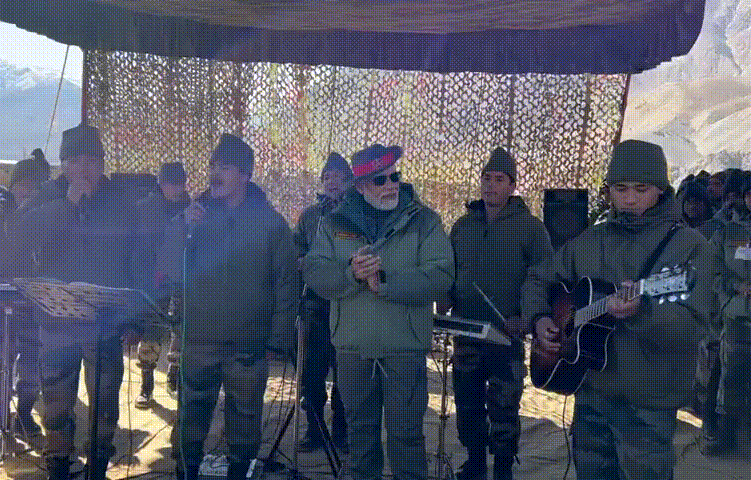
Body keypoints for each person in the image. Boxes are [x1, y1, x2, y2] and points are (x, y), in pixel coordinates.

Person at [524, 140, 716, 480]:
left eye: (640, 189)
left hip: (648, 404)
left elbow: (694, 328)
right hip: (590, 391)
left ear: (660, 189)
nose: (629, 198)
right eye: (620, 188)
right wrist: (539, 319)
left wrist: (642, 313)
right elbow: (540, 277)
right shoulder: (591, 239)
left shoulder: (689, 246)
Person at [303, 144, 454, 480]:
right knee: (360, 438)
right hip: (353, 349)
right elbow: (314, 271)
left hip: (404, 347)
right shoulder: (333, 223)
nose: (391, 185)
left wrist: (386, 282)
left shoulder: (424, 220)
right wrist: (350, 273)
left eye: (395, 176)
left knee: (407, 437)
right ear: (359, 186)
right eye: (380, 179)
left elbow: (442, 275)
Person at [167, 133, 298, 480]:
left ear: (245, 175)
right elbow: (164, 267)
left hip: (248, 346)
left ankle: (239, 473)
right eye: (212, 165)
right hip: (199, 341)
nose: (215, 173)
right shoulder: (193, 216)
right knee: (191, 419)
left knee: (245, 421)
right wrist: (183, 228)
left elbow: (287, 285)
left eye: (225, 167)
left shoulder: (271, 224)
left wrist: (277, 340)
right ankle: (186, 473)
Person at [15, 124, 141, 480]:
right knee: (56, 404)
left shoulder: (120, 203)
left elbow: (135, 262)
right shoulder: (47, 197)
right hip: (57, 324)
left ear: (102, 165)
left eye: (92, 161)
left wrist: (134, 320)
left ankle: (98, 465)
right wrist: (68, 205)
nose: (84, 169)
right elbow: (21, 239)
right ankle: (58, 465)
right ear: (64, 165)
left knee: (104, 404)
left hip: (105, 325)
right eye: (76, 161)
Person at [442, 147, 553, 480]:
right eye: (486, 178)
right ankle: (475, 462)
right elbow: (448, 270)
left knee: (504, 406)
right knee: (467, 403)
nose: (490, 185)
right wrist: (444, 297)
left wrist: (527, 315)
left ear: (512, 185)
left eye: (499, 180)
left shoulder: (531, 228)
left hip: (507, 333)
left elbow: (545, 277)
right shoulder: (462, 226)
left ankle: (503, 468)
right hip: (466, 330)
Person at [0, 157, 50, 435]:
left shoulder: (50, 219)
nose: (26, 189)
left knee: (31, 364)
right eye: (21, 183)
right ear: (12, 187)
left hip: (35, 307)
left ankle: (25, 412)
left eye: (33, 185)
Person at [293, 152, 351, 453]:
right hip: (314, 305)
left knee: (346, 372)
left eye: (338, 177)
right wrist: (300, 261)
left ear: (350, 181)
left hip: (349, 306)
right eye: (327, 177)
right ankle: (314, 430)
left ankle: (342, 431)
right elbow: (295, 249)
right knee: (312, 373)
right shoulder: (310, 216)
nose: (331, 183)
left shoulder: (358, 214)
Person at [132, 161, 191, 407]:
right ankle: (146, 385)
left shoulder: (191, 207)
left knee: (180, 327)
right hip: (156, 279)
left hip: (182, 277)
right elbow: (141, 246)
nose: (175, 189)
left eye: (179, 183)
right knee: (152, 329)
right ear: (160, 183)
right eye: (170, 183)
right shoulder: (146, 208)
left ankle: (174, 376)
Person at [705, 176, 751, 456]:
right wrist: (736, 288)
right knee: (730, 376)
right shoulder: (729, 233)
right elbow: (710, 270)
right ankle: (724, 435)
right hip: (738, 317)